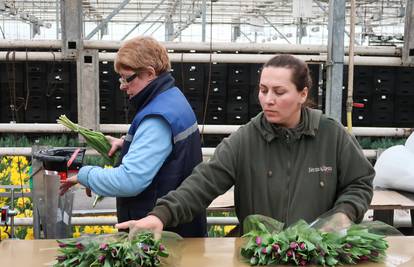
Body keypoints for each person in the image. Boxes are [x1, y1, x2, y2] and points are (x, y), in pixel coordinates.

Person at [116, 54, 375, 235]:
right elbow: (202, 184)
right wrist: (160, 215)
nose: (268, 100)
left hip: (318, 253)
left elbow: (359, 182)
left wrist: (345, 213)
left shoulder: (331, 134)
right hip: (261, 252)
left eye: (279, 92)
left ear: (302, 94)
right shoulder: (246, 139)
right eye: (263, 90)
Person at [59, 36, 207, 237]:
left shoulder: (157, 119)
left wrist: (86, 175)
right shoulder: (172, 98)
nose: (122, 85)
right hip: (180, 227)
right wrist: (129, 144)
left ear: (149, 74)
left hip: (161, 237)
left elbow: (129, 180)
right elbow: (166, 149)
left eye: (126, 78)